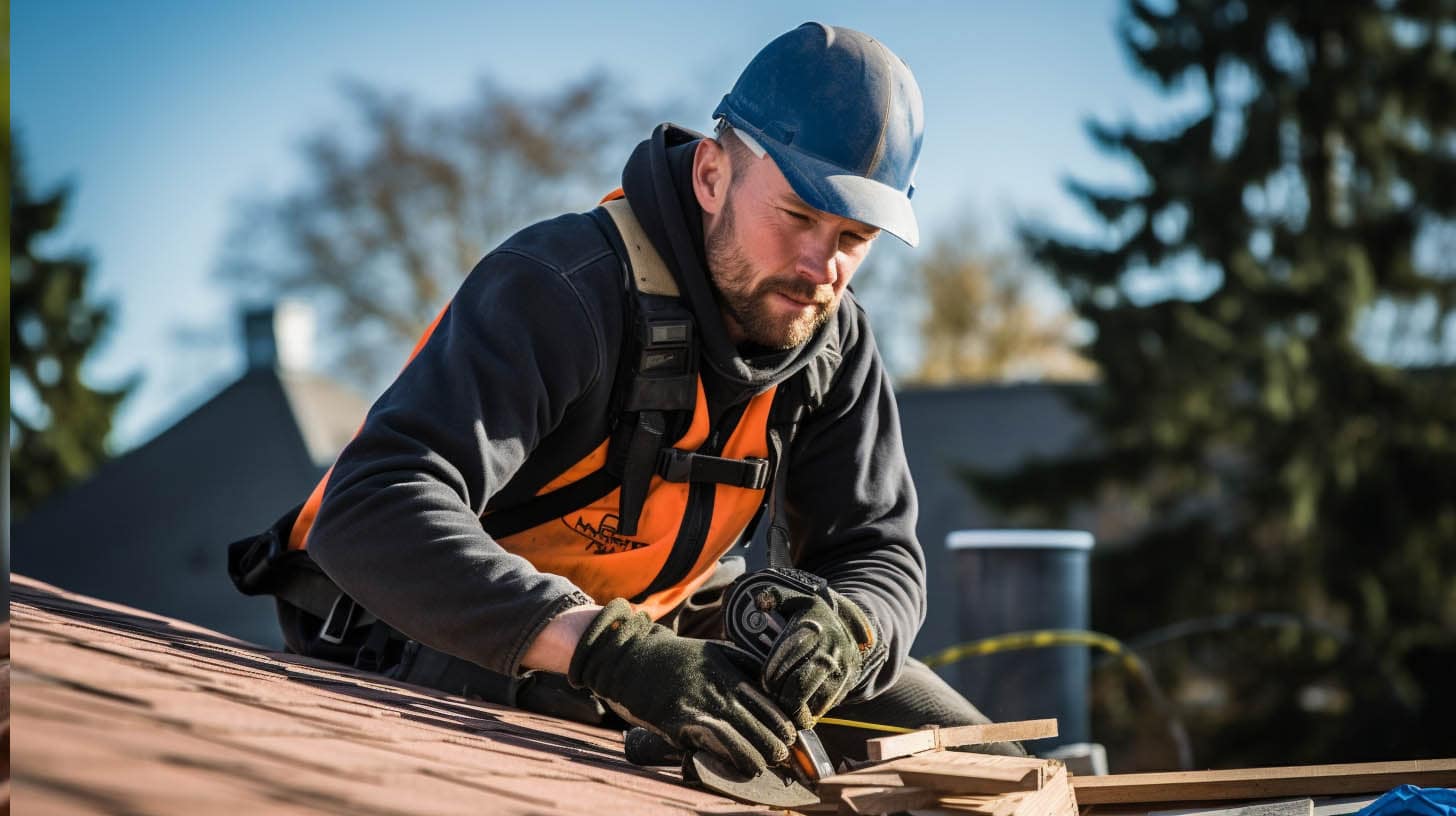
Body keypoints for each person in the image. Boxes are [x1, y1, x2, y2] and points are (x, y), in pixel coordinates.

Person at [230, 21, 1023, 776]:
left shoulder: (835, 342)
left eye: (854, 239)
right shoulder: (561, 288)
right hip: (434, 625)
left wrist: (849, 631)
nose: (822, 270)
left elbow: (877, 553)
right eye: (798, 216)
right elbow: (369, 508)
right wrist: (610, 653)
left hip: (652, 624)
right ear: (712, 175)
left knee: (984, 763)